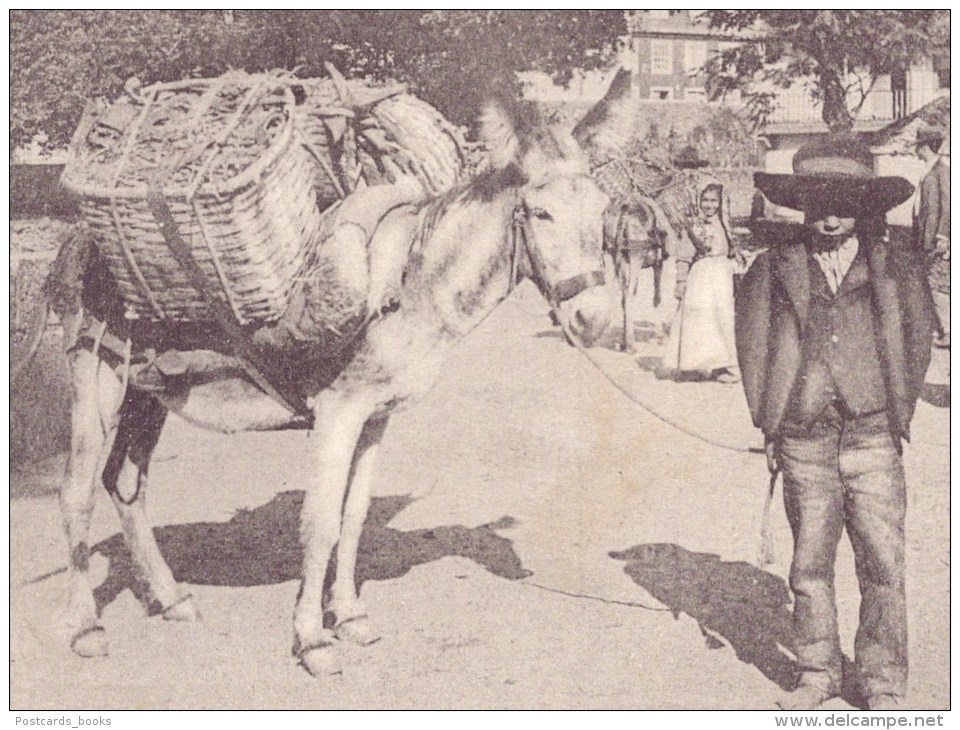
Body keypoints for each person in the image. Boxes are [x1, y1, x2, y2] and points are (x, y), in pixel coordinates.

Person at [738, 135, 935, 711]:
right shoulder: (774, 266)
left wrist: (896, 406)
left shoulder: (896, 266)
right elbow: (753, 344)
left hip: (873, 434)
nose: (829, 217)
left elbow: (918, 336)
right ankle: (816, 673)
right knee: (810, 562)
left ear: (867, 206)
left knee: (882, 562)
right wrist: (770, 420)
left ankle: (881, 681)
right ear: (801, 205)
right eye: (818, 204)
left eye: (844, 204)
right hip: (803, 436)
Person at [661, 182, 743, 383]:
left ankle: (725, 367)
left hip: (722, 275)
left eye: (713, 200)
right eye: (705, 200)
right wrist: (681, 281)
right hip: (701, 276)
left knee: (723, 319)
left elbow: (732, 250)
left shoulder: (725, 224)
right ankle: (692, 365)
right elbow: (684, 256)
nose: (709, 205)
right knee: (698, 318)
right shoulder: (694, 226)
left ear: (720, 202)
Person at [912, 126, 950, 347]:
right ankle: (940, 329)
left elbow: (948, 206)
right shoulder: (929, 169)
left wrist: (943, 236)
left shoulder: (942, 171)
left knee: (937, 285)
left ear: (925, 147)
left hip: (935, 239)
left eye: (918, 146)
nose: (916, 150)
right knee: (928, 283)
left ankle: (950, 330)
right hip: (924, 236)